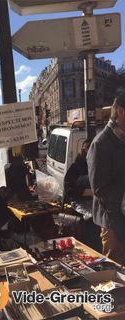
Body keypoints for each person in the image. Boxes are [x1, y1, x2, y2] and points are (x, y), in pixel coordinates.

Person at [87, 92, 125, 265]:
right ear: (120, 112)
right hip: (112, 220)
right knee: (116, 267)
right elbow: (99, 188)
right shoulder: (100, 143)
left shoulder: (121, 138)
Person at [64, 139, 102, 252]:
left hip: (97, 206)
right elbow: (68, 189)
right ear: (83, 150)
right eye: (87, 149)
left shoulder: (98, 165)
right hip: (81, 208)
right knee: (88, 237)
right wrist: (88, 192)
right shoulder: (76, 167)